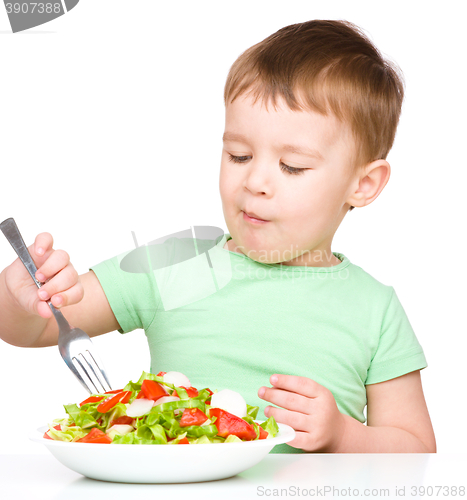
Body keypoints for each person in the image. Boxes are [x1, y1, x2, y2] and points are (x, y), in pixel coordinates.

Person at [0, 19, 436, 453]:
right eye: (239, 155)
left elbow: (416, 451)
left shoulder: (374, 308)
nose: (256, 181)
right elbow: (35, 330)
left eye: (293, 166)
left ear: (363, 184)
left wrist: (345, 437)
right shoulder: (177, 264)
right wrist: (20, 295)